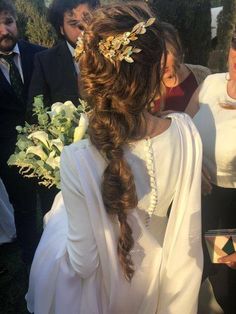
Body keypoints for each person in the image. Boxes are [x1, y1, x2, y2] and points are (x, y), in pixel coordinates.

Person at [26, 2, 203, 313]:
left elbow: (83, 263)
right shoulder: (186, 132)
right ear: (154, 69)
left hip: (105, 296)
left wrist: (59, 219)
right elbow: (188, 227)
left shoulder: (77, 159)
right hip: (165, 284)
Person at [27, 0, 100, 215]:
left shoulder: (114, 54)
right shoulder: (45, 61)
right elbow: (35, 111)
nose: (82, 29)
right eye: (73, 23)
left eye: (87, 20)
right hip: (68, 161)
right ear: (61, 27)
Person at [186, 31, 236, 314]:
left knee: (225, 288)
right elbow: (183, 128)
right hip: (197, 197)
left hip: (229, 210)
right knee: (195, 273)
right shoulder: (211, 83)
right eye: (235, 45)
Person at [0, 0, 45, 266]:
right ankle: (34, 266)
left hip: (50, 150)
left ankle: (61, 262)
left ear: (16, 22)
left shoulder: (40, 55)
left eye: (8, 21)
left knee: (55, 207)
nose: (4, 30)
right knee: (25, 212)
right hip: (10, 157)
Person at [151, 22, 210, 114]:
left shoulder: (203, 75)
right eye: (156, 55)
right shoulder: (148, 90)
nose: (161, 61)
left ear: (177, 49)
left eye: (166, 53)